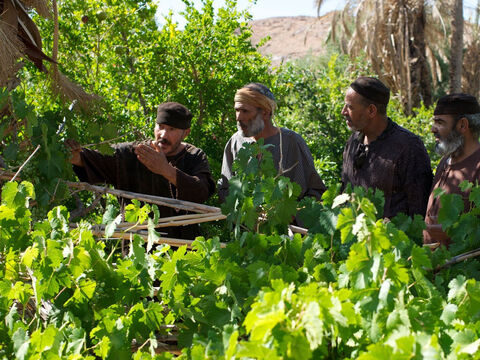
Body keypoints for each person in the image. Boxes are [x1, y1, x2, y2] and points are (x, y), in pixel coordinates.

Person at [66, 102, 215, 240]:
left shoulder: (194, 157)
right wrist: (74, 155)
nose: (163, 135)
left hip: (182, 247)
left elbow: (201, 192)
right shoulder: (131, 153)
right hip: (137, 248)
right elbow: (91, 160)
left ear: (185, 133)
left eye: (172, 129)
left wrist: (165, 169)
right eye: (160, 126)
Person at [341, 76, 432, 219]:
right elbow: (344, 193)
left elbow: (420, 210)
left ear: (371, 110)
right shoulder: (353, 142)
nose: (343, 112)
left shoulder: (409, 148)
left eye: (350, 107)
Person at [218, 82, 326, 202]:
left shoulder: (291, 142)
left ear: (265, 112)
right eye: (237, 110)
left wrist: (292, 214)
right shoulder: (235, 142)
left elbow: (317, 191)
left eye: (245, 111)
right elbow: (225, 188)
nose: (238, 117)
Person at [423, 94, 480, 247]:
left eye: (440, 122)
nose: (432, 129)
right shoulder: (445, 161)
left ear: (462, 125)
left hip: (462, 269)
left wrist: (452, 233)